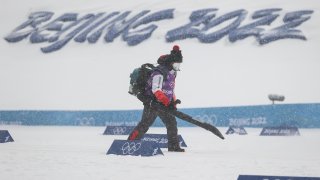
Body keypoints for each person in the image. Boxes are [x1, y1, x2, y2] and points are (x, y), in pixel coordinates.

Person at [128, 45, 185, 152]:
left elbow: (170, 90)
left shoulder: (173, 73)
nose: (178, 66)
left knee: (171, 123)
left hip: (164, 104)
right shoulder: (159, 72)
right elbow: (156, 90)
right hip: (152, 103)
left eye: (179, 64)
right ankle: (130, 143)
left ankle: (173, 146)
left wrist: (173, 102)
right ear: (171, 63)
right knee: (145, 124)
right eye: (177, 64)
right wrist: (167, 102)